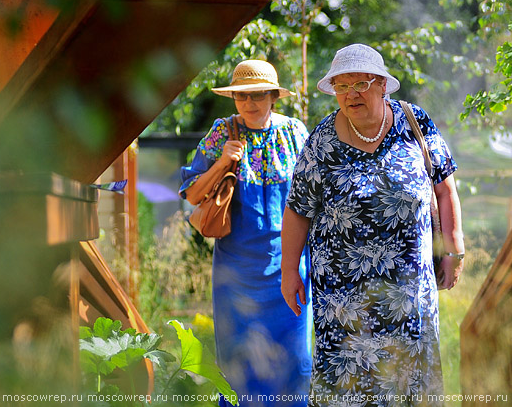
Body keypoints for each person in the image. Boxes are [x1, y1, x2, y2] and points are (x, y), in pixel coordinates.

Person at [280, 44, 464, 406]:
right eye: (342, 87)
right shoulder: (321, 142)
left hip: (408, 295)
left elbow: (445, 187)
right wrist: (289, 272)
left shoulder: (416, 122)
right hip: (342, 302)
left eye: (360, 84)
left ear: (381, 84)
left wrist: (453, 248)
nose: (351, 95)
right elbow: (298, 210)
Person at [180, 59, 312, 407]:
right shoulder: (222, 132)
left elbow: (317, 194)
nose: (250, 104)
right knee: (239, 365)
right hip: (236, 273)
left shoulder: (296, 133)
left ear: (273, 96)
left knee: (294, 363)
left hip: (291, 268)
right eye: (241, 96)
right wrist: (223, 162)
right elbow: (192, 194)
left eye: (257, 96)